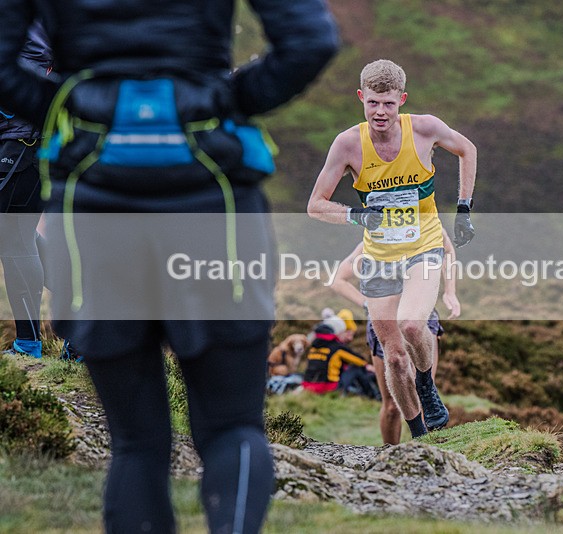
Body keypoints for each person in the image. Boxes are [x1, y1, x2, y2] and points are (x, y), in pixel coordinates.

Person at [0, 2, 338, 533]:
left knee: (135, 445)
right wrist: (225, 102)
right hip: (212, 196)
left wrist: (71, 109)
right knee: (232, 428)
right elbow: (310, 41)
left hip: (95, 194)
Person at [307, 59, 477, 438]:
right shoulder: (348, 144)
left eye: (388, 104)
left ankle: (428, 386)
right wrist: (357, 216)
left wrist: (463, 209)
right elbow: (315, 204)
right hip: (380, 259)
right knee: (394, 359)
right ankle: (419, 436)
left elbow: (467, 150)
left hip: (425, 247)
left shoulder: (425, 129)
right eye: (372, 104)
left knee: (413, 325)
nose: (380, 112)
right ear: (361, 99)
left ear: (401, 100)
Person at [330, 234, 461, 444]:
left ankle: (429, 454)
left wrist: (450, 292)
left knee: (423, 395)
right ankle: (392, 457)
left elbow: (447, 249)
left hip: (421, 319)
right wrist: (367, 304)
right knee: (392, 406)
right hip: (384, 322)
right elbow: (338, 280)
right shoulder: (372, 241)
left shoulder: (424, 223)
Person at [0, 21, 50, 359]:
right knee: (21, 237)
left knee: (14, 237)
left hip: (22, 143)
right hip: (24, 142)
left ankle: (29, 343)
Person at [301, 312, 377, 397]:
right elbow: (359, 360)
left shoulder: (314, 346)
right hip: (328, 388)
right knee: (356, 368)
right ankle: (372, 396)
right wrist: (366, 366)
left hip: (308, 387)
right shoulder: (337, 347)